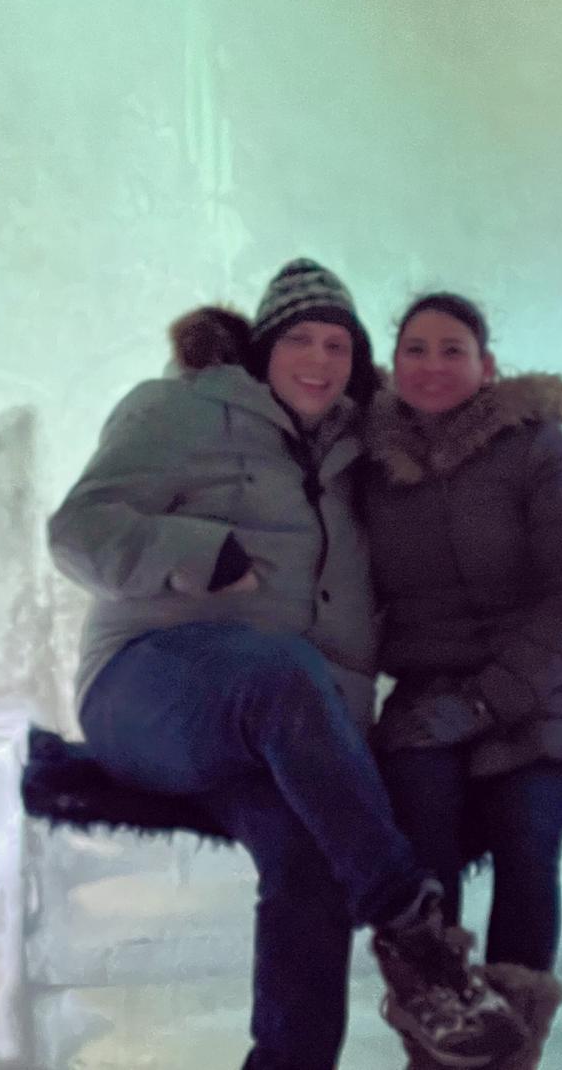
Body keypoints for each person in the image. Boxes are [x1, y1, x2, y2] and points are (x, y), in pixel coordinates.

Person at [48, 260, 528, 1070]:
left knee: (310, 858)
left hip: (279, 728)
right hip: (148, 684)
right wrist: (201, 553)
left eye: (338, 344)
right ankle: (416, 938)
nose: (319, 359)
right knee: (277, 668)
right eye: (300, 339)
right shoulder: (180, 410)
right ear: (262, 350)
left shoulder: (354, 449)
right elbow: (78, 530)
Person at [360, 293, 562, 1069]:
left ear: (487, 366)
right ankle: (437, 1045)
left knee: (526, 833)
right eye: (416, 349)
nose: (433, 365)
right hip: (430, 693)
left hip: (549, 689)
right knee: (421, 853)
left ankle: (510, 1054)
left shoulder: (534, 447)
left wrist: (487, 700)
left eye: (452, 350)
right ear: (393, 363)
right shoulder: (371, 462)